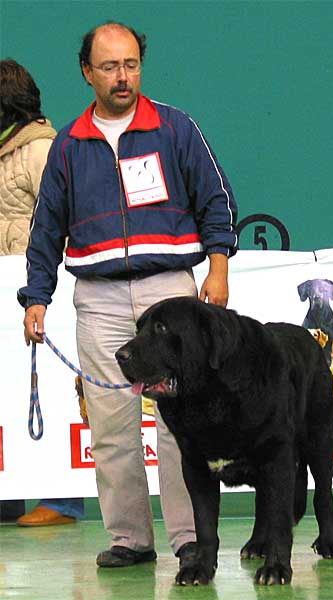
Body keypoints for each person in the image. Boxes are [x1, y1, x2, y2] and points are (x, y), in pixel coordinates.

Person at [18, 22, 238, 567]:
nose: (124, 77)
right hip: (98, 298)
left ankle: (191, 540)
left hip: (172, 292)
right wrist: (37, 298)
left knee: (179, 424)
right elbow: (46, 228)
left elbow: (216, 200)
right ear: (87, 72)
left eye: (132, 64)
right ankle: (130, 539)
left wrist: (219, 269)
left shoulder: (175, 128)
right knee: (112, 426)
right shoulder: (69, 144)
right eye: (111, 66)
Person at [0, 58, 84, 526]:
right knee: (7, 392)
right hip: (5, 293)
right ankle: (9, 495)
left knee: (50, 388)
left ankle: (63, 501)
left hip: (41, 290)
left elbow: (62, 224)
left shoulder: (42, 150)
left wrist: (42, 286)